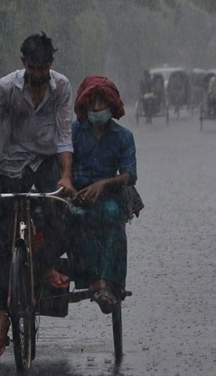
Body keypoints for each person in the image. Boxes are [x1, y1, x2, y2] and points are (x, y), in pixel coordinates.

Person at [0, 32, 75, 356]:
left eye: (44, 68)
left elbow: (63, 136)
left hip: (47, 164)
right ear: (24, 64)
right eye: (33, 68)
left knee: (59, 219)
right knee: (4, 241)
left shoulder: (61, 87)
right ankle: (3, 317)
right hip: (12, 166)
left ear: (51, 64)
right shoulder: (6, 88)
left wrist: (65, 175)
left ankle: (45, 265)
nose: (38, 75)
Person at [69, 75, 138, 314]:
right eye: (93, 104)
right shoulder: (72, 133)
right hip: (76, 195)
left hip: (110, 196)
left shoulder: (123, 137)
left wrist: (103, 184)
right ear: (85, 106)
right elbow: (61, 166)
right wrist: (73, 191)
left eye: (102, 103)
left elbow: (130, 175)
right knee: (76, 217)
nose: (97, 109)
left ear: (111, 106)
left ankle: (109, 283)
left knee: (111, 215)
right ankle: (90, 279)